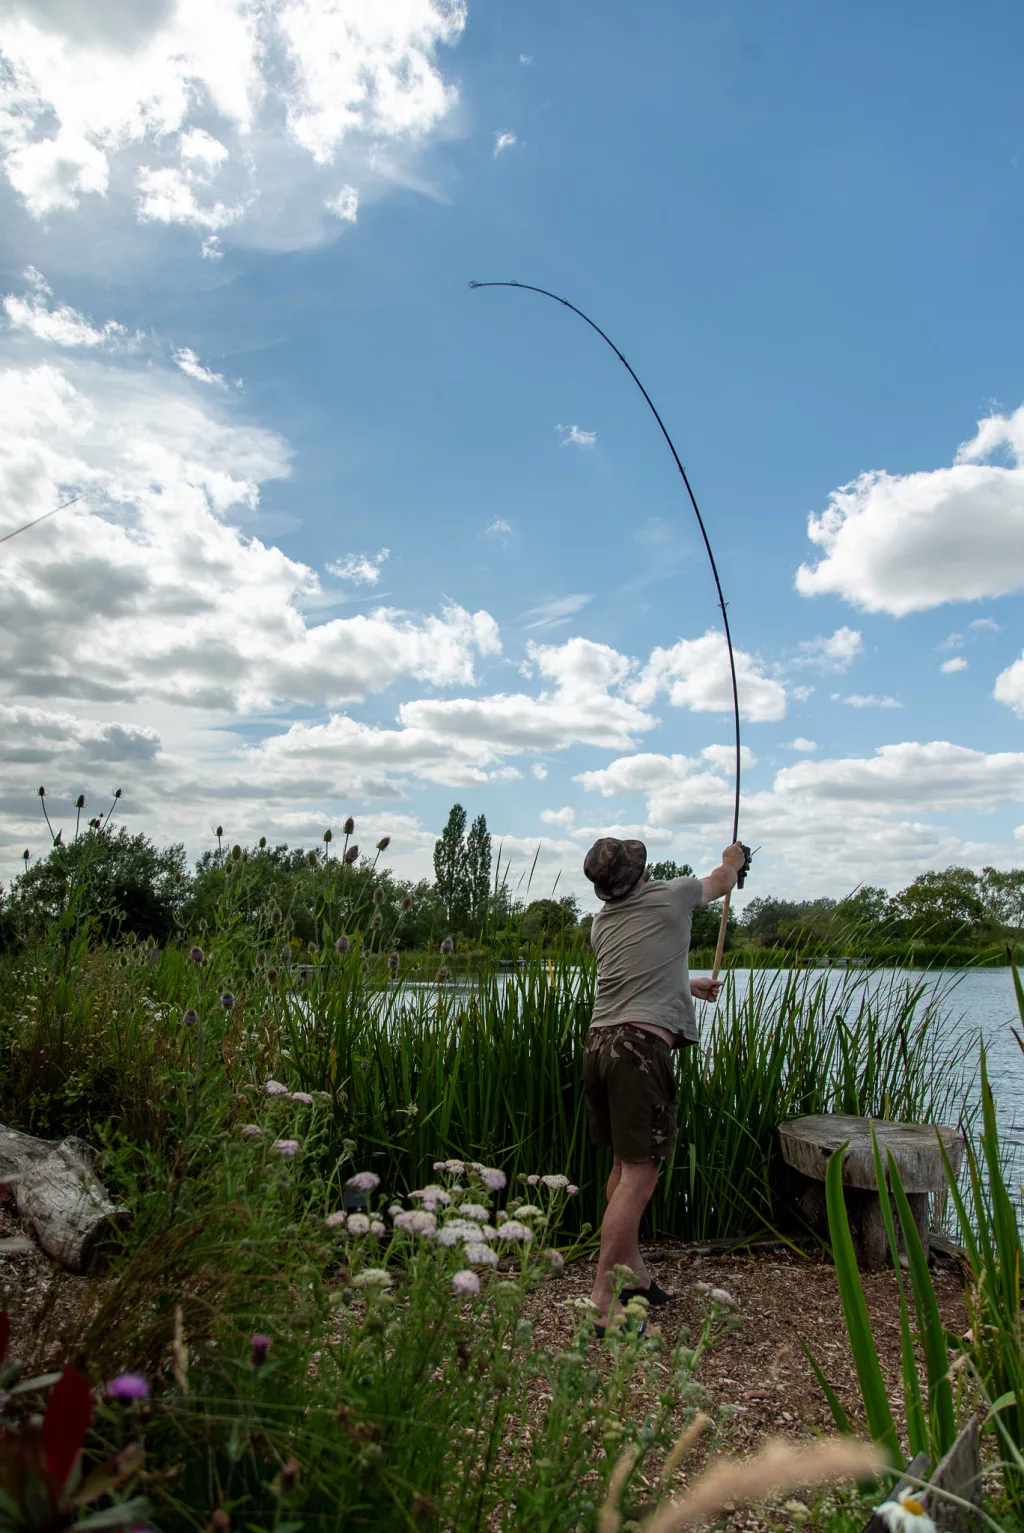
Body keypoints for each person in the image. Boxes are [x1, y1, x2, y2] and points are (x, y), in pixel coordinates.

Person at [581, 835, 747, 1335]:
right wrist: (733, 861)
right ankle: (604, 1302)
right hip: (638, 1052)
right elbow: (721, 882)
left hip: (599, 1046)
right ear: (637, 873)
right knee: (640, 1176)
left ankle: (633, 1276)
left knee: (623, 1167)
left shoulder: (600, 924)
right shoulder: (673, 894)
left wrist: (686, 985)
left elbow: (635, 973)